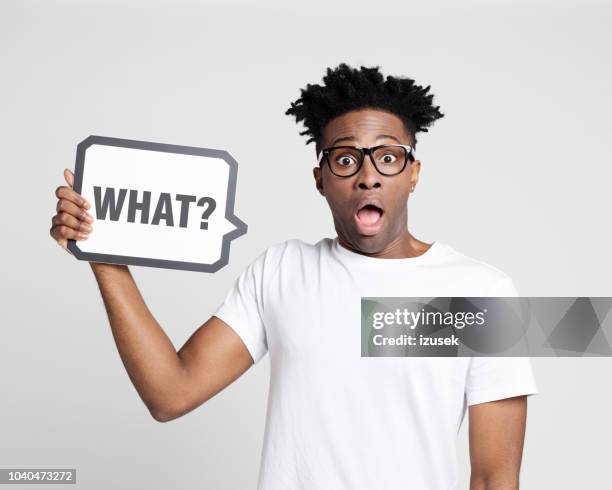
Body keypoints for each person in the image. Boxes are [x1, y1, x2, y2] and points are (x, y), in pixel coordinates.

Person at [50, 63, 537, 490]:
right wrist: (106, 258)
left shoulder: (482, 293)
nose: (368, 175)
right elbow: (170, 394)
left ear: (413, 173)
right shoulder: (281, 271)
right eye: (345, 159)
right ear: (320, 179)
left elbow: (495, 478)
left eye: (388, 157)